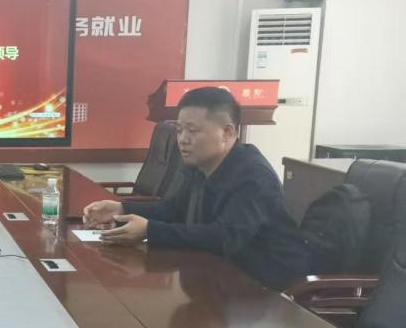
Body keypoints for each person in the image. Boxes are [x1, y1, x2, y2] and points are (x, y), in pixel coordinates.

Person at [82, 86, 308, 290]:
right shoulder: (201, 165)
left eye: (192, 130)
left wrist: (150, 230)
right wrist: (121, 208)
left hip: (261, 289)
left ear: (227, 132)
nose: (183, 139)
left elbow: (224, 237)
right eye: (179, 130)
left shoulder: (253, 177)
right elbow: (174, 210)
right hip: (216, 275)